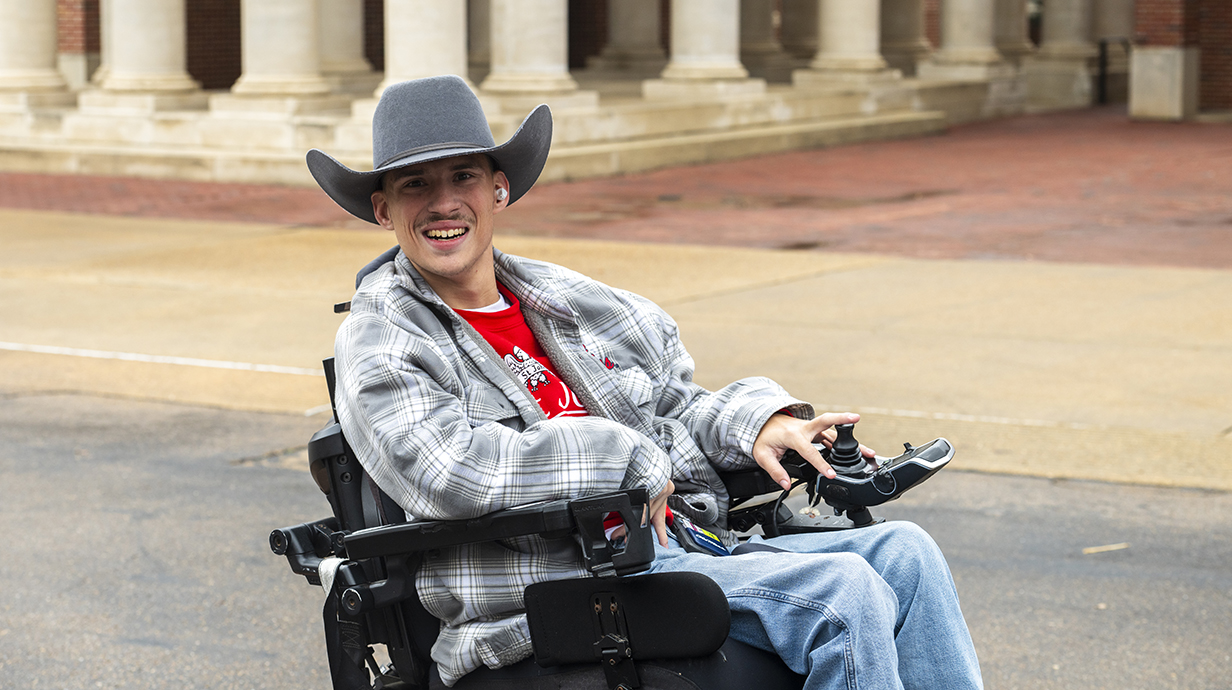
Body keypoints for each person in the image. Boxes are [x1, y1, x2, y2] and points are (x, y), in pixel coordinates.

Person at [307, 75, 983, 690]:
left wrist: (762, 424)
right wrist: (620, 456)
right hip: (561, 592)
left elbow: (668, 408)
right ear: (381, 209)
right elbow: (448, 471)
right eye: (415, 185)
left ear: (499, 189)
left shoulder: (560, 300)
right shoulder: (383, 335)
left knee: (906, 555)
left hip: (677, 547)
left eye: (463, 177)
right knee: (844, 594)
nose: (444, 202)